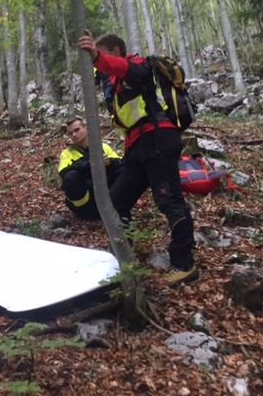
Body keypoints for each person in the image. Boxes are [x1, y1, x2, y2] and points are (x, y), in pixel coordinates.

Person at [78, 29, 199, 285]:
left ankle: (184, 264)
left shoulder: (138, 66)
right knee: (115, 202)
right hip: (136, 147)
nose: (98, 65)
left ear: (116, 53)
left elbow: (130, 71)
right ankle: (123, 257)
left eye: (103, 56)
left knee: (169, 200)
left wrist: (98, 56)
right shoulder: (113, 82)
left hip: (158, 138)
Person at [58, 117, 123, 221]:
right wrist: (90, 165)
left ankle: (120, 206)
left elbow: (120, 163)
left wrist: (109, 163)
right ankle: (87, 213)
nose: (74, 135)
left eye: (77, 130)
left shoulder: (102, 147)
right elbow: (63, 173)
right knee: (71, 177)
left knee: (124, 171)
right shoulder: (67, 153)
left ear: (86, 129)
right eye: (70, 133)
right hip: (86, 195)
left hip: (106, 190)